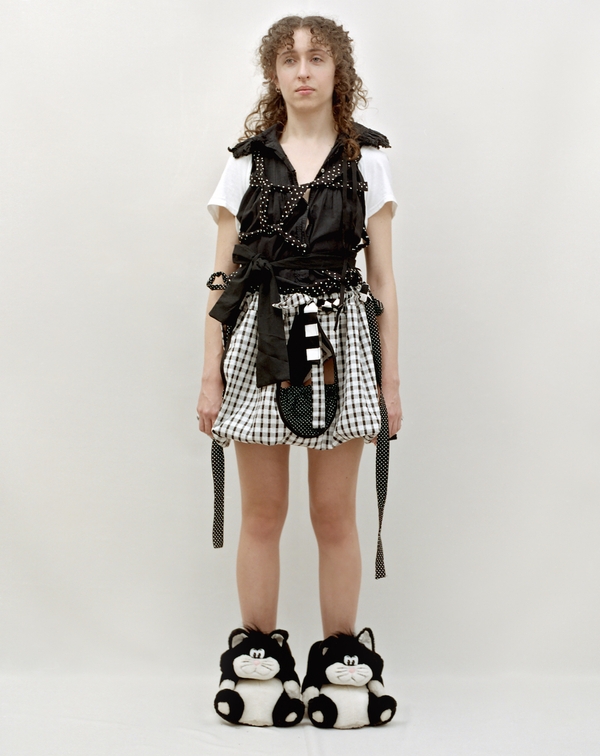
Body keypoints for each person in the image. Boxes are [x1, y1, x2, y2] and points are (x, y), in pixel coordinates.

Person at [197, 15, 402, 729]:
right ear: (274, 74)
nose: (304, 71)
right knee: (263, 512)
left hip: (341, 341)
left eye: (317, 58)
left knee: (333, 514)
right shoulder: (245, 163)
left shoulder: (368, 161)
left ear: (338, 69)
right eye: (290, 59)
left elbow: (384, 282)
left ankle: (341, 657)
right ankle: (257, 653)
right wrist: (210, 374)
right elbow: (222, 278)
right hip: (259, 338)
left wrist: (391, 382)